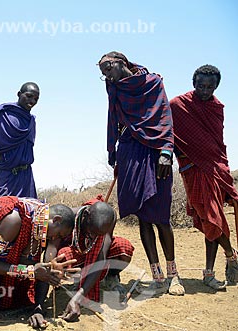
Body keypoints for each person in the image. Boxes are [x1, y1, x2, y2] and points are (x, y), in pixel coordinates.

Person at [98, 51, 185, 295]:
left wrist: (167, 151)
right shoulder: (113, 88)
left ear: (121, 63)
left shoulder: (153, 83)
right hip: (129, 150)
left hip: (156, 151)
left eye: (108, 69)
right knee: (142, 216)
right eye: (103, 73)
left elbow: (165, 118)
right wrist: (112, 149)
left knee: (161, 216)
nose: (107, 76)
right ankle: (156, 274)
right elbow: (112, 118)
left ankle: (173, 274)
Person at [170, 64, 238, 290]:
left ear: (216, 86)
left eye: (210, 86)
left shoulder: (217, 107)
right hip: (192, 169)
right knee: (208, 218)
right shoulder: (178, 105)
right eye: (201, 85)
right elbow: (166, 134)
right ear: (193, 83)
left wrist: (221, 168)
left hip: (216, 169)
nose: (205, 90)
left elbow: (217, 142)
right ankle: (231, 255)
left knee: (213, 218)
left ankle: (209, 273)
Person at [29, 196, 134, 327]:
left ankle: (110, 277)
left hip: (98, 258)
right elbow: (50, 257)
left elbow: (101, 255)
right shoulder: (68, 218)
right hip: (76, 255)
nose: (94, 237)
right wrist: (38, 306)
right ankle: (78, 280)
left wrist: (77, 299)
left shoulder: (108, 219)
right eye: (91, 232)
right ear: (85, 217)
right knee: (63, 257)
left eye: (98, 235)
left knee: (124, 247)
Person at [0, 82, 40, 198]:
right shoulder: (3, 115)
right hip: (6, 176)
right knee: (2, 211)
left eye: (36, 99)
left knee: (29, 212)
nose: (32, 101)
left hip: (26, 177)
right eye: (29, 96)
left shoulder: (31, 121)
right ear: (19, 94)